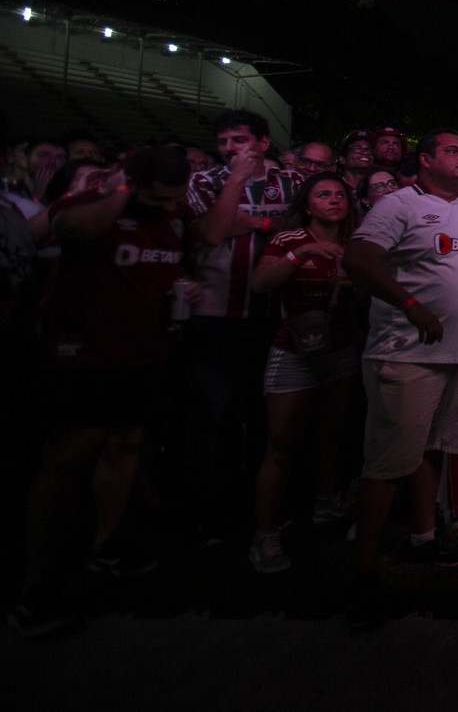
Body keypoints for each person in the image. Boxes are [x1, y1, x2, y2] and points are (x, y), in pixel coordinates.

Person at [11, 147, 192, 637]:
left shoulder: (175, 208)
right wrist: (122, 189)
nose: (166, 207)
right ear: (133, 183)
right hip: (83, 352)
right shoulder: (94, 200)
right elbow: (74, 232)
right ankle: (39, 583)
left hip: (144, 351)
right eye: (156, 197)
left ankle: (104, 546)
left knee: (127, 442)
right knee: (69, 457)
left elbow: (199, 241)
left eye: (174, 198)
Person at [344, 129, 458, 621]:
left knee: (433, 451)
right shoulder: (399, 205)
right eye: (453, 150)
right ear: (426, 159)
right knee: (388, 464)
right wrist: (409, 303)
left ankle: (424, 538)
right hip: (407, 355)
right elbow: (359, 260)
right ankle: (363, 573)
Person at [184, 110, 302, 542]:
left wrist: (248, 222)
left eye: (239, 141)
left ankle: (263, 513)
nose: (230, 149)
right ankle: (213, 517)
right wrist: (236, 184)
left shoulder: (293, 183)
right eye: (224, 142)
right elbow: (213, 233)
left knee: (268, 424)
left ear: (263, 143)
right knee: (217, 421)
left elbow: (301, 228)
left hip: (276, 314)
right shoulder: (205, 181)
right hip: (218, 317)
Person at [246, 174, 361, 573]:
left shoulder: (357, 242)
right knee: (280, 444)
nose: (334, 200)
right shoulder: (288, 240)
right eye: (323, 195)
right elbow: (260, 284)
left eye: (340, 195)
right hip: (293, 352)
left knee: (331, 435)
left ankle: (327, 505)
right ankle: (266, 534)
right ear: (307, 205)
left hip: (341, 350)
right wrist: (305, 254)